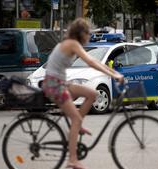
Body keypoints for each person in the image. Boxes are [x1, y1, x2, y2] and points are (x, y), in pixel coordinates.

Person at [42, 18, 124, 169]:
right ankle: (72, 159)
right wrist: (114, 76)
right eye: (88, 34)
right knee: (76, 119)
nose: (89, 37)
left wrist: (114, 72)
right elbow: (91, 63)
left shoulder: (72, 44)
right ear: (81, 33)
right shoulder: (72, 44)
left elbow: (96, 61)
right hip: (55, 85)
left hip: (60, 83)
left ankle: (77, 124)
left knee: (92, 94)